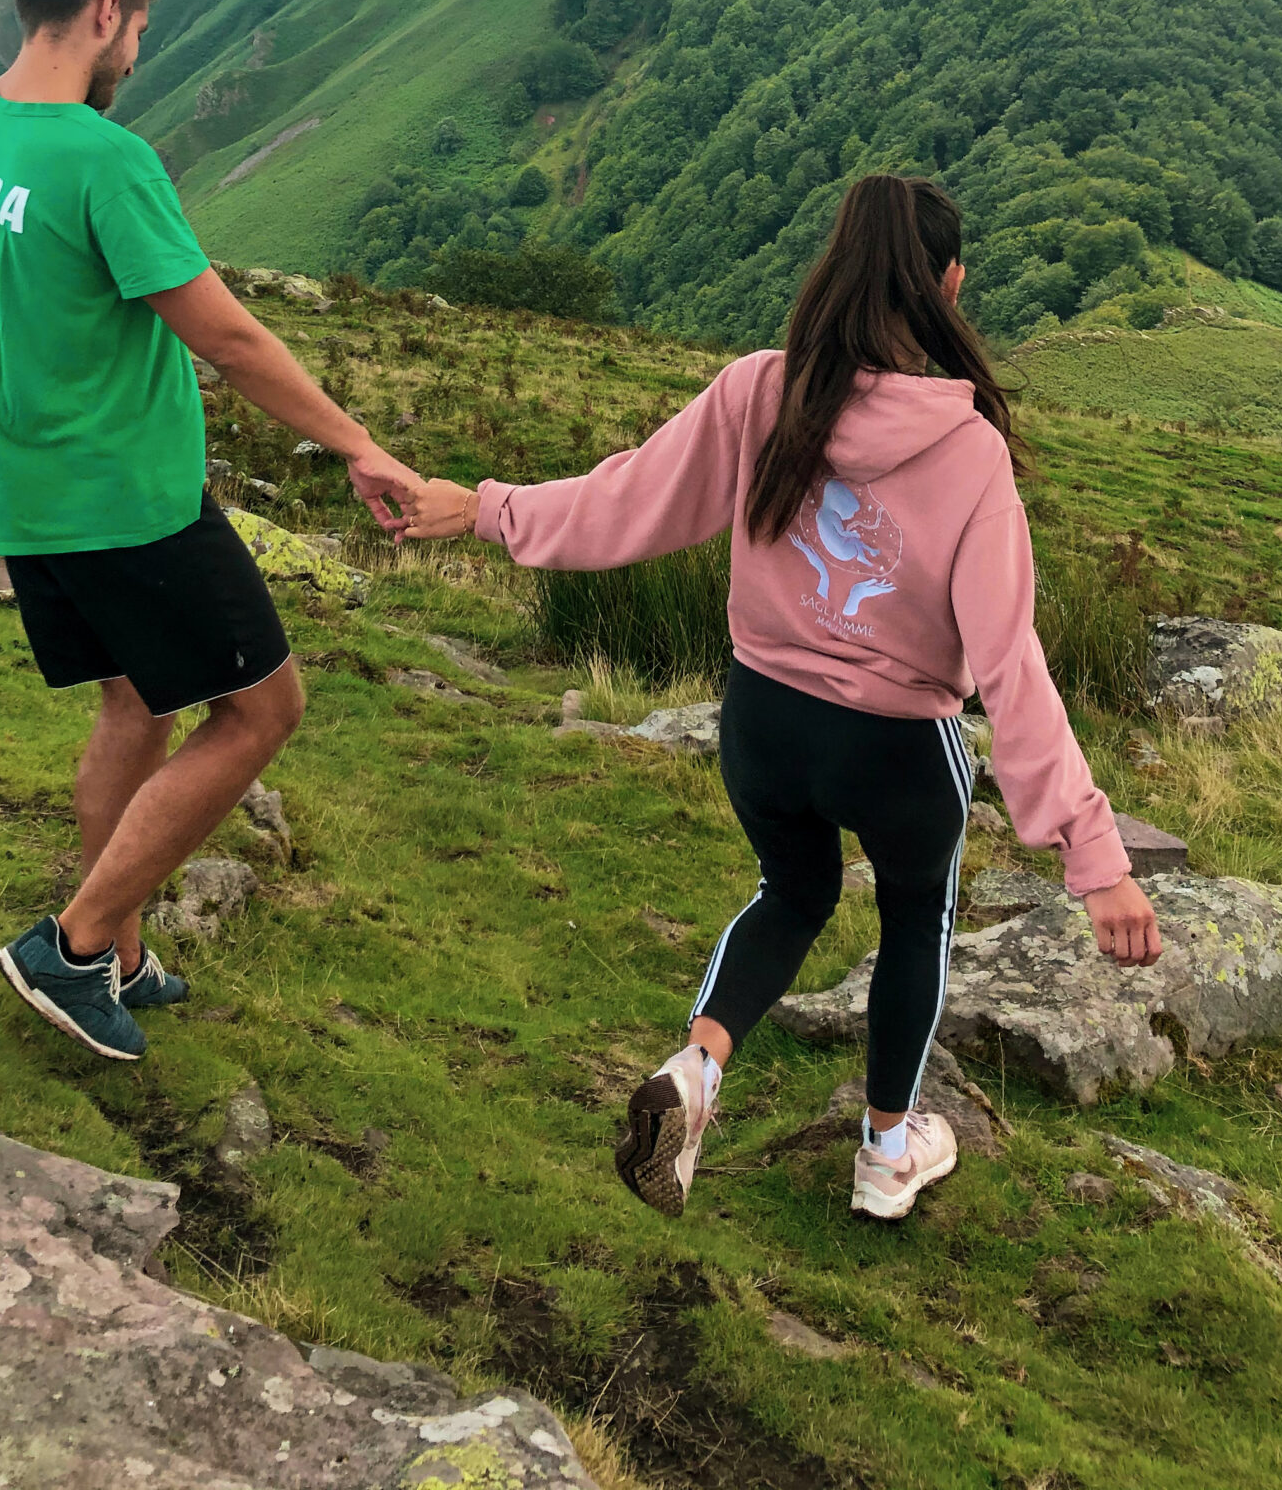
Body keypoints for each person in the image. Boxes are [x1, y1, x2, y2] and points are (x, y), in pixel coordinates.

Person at [397, 173, 1159, 1222]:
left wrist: (484, 509)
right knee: (914, 916)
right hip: (896, 745)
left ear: (832, 266)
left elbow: (627, 500)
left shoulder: (762, 390)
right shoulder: (970, 448)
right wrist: (1094, 855)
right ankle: (890, 1148)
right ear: (950, 285)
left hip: (765, 721)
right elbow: (1008, 659)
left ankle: (698, 1069)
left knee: (793, 892)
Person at [0, 0, 421, 1063]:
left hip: (11, 492)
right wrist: (358, 445)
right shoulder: (104, 159)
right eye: (137, 30)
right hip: (123, 502)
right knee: (263, 708)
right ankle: (75, 942)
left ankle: (122, 955)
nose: (136, 55)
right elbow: (229, 340)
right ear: (106, 14)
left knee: (136, 701)